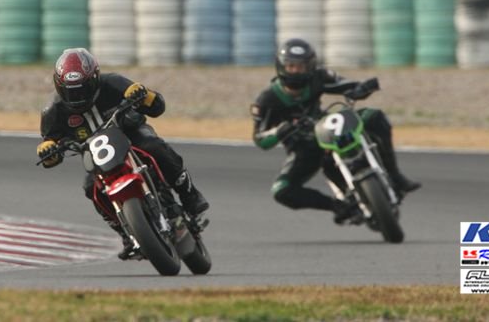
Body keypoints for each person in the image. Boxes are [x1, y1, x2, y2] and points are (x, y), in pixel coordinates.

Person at [36, 47, 210, 260]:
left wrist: (142, 94)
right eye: (71, 91)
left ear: (95, 78)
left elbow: (157, 106)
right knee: (91, 187)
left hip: (131, 135)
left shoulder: (113, 83)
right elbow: (50, 147)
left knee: (155, 148)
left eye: (83, 89)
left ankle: (189, 195)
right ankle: (126, 234)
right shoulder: (52, 110)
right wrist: (48, 149)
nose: (78, 96)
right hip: (98, 156)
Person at [250, 37, 421, 224]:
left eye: (301, 67)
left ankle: (395, 176)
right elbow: (260, 138)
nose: (296, 71)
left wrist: (360, 88)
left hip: (327, 129)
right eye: (291, 66)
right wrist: (279, 131)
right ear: (281, 67)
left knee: (374, 116)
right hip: (303, 147)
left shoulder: (319, 77)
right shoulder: (266, 100)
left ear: (311, 66)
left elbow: (345, 84)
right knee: (281, 190)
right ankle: (338, 206)